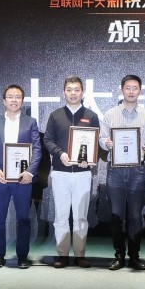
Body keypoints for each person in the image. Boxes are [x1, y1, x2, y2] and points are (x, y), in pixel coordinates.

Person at [99, 75, 145, 271]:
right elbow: (102, 139)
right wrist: (106, 143)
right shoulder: (110, 114)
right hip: (115, 171)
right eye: (128, 88)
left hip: (137, 171)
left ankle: (134, 256)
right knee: (116, 215)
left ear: (140, 90)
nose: (131, 91)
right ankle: (119, 255)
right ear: (121, 90)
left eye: (135, 88)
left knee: (135, 216)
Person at [43, 76, 100, 268]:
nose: (73, 93)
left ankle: (79, 254)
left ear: (82, 92)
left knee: (80, 217)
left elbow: (95, 143)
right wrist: (60, 154)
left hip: (83, 173)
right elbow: (48, 140)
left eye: (76, 89)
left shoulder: (91, 116)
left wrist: (89, 160)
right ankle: (62, 254)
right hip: (60, 173)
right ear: (64, 92)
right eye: (69, 89)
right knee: (60, 216)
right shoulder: (55, 115)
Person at [0, 85, 42, 269]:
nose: (14, 100)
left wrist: (30, 172)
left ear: (22, 101)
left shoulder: (30, 122)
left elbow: (37, 149)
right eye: (10, 96)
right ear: (4, 100)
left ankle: (22, 256)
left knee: (23, 219)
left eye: (17, 97)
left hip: (22, 179)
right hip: (0, 179)